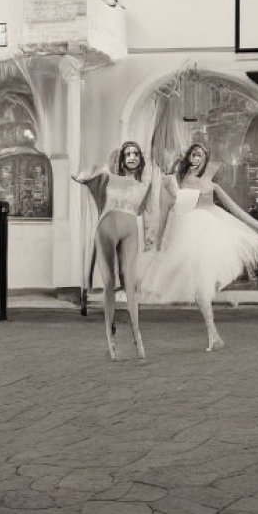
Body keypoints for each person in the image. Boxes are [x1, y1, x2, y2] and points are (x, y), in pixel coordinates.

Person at [144, 143, 258, 352]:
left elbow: (237, 212)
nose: (196, 159)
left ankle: (213, 333)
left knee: (202, 285)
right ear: (189, 157)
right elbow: (165, 212)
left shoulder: (211, 186)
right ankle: (214, 332)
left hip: (210, 235)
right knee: (197, 285)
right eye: (194, 155)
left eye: (201, 156)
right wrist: (159, 240)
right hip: (186, 236)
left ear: (205, 161)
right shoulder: (175, 181)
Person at [72, 141, 151, 361]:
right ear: (122, 158)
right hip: (106, 228)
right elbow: (88, 176)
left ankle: (137, 336)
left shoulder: (144, 181)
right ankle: (110, 338)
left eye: (136, 153)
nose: (132, 157)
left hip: (130, 231)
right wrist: (85, 176)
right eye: (128, 154)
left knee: (130, 284)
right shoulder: (108, 175)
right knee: (109, 284)